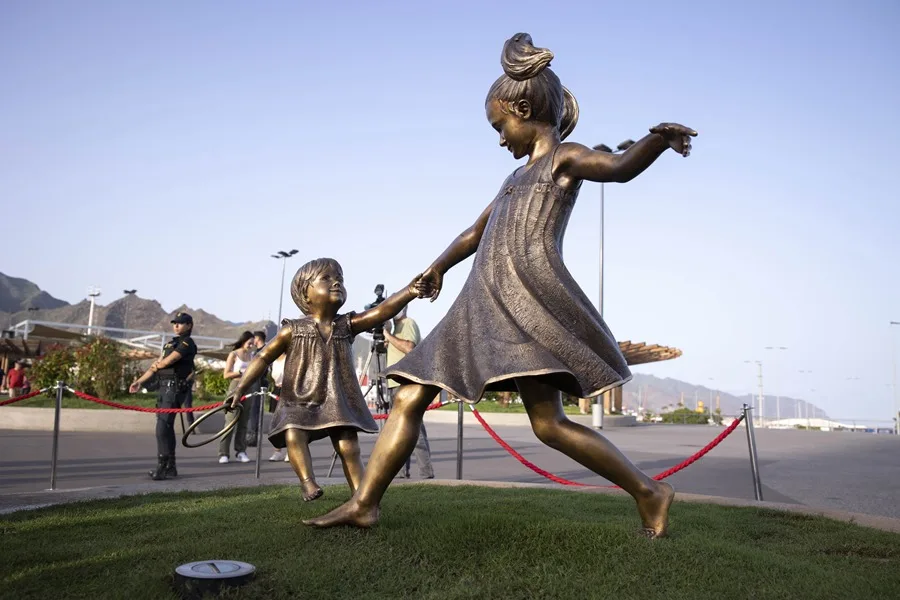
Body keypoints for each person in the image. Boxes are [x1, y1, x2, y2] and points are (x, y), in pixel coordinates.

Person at [306, 33, 696, 538]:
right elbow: (474, 232)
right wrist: (437, 267)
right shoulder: (512, 179)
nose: (499, 138)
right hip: (480, 299)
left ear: (522, 107)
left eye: (500, 125)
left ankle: (649, 491)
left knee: (548, 425)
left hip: (527, 297)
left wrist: (657, 140)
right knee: (409, 396)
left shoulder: (566, 159)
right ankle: (365, 504)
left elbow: (619, 169)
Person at [229, 257, 421, 501]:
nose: (336, 283)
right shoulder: (293, 328)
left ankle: (362, 497)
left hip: (336, 399)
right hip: (299, 399)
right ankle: (308, 482)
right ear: (305, 294)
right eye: (326, 279)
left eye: (340, 279)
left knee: (349, 446)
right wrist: (240, 388)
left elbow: (381, 312)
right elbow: (263, 357)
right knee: (293, 433)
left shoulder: (346, 325)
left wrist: (409, 291)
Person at [129, 312, 198, 481]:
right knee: (165, 427)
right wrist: (139, 382)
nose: (176, 326)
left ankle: (162, 467)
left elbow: (167, 362)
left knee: (162, 427)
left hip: (174, 388)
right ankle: (170, 466)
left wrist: (158, 364)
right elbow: (156, 366)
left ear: (189, 325)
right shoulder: (170, 344)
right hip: (163, 387)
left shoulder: (187, 343)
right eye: (175, 323)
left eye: (181, 323)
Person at [384, 307, 433, 478]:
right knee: (399, 431)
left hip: (406, 383)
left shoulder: (408, 323)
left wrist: (388, 336)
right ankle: (401, 472)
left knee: (415, 431)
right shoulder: (394, 328)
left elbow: (409, 347)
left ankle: (426, 473)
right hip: (393, 384)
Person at [217, 331, 257, 464]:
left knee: (244, 422)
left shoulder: (253, 355)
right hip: (235, 386)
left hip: (248, 387)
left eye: (253, 342)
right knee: (230, 421)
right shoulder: (234, 354)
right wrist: (240, 372)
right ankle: (224, 453)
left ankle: (241, 451)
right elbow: (226, 374)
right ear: (243, 341)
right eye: (249, 342)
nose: (251, 345)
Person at [245, 330, 269, 447]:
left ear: (257, 339)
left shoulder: (265, 351)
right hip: (255, 382)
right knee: (252, 410)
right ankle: (251, 435)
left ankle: (253, 436)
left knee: (255, 411)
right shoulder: (257, 351)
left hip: (259, 383)